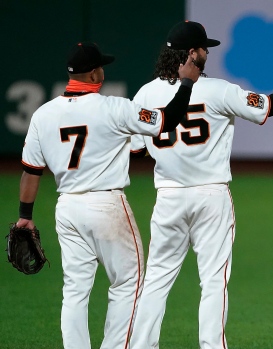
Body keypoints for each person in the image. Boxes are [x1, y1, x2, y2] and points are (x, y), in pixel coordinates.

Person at [128, 20, 273, 349]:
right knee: (214, 280)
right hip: (210, 195)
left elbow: (135, 148)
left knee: (157, 280)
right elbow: (270, 106)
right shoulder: (218, 90)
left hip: (168, 197)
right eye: (204, 48)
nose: (207, 52)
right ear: (191, 53)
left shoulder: (146, 94)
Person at [16, 41, 200, 349]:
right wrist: (186, 84)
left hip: (68, 208)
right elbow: (169, 119)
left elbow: (31, 171)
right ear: (92, 74)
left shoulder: (43, 115)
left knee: (74, 291)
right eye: (101, 66)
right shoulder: (115, 107)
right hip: (106, 205)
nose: (104, 69)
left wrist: (25, 217)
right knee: (128, 282)